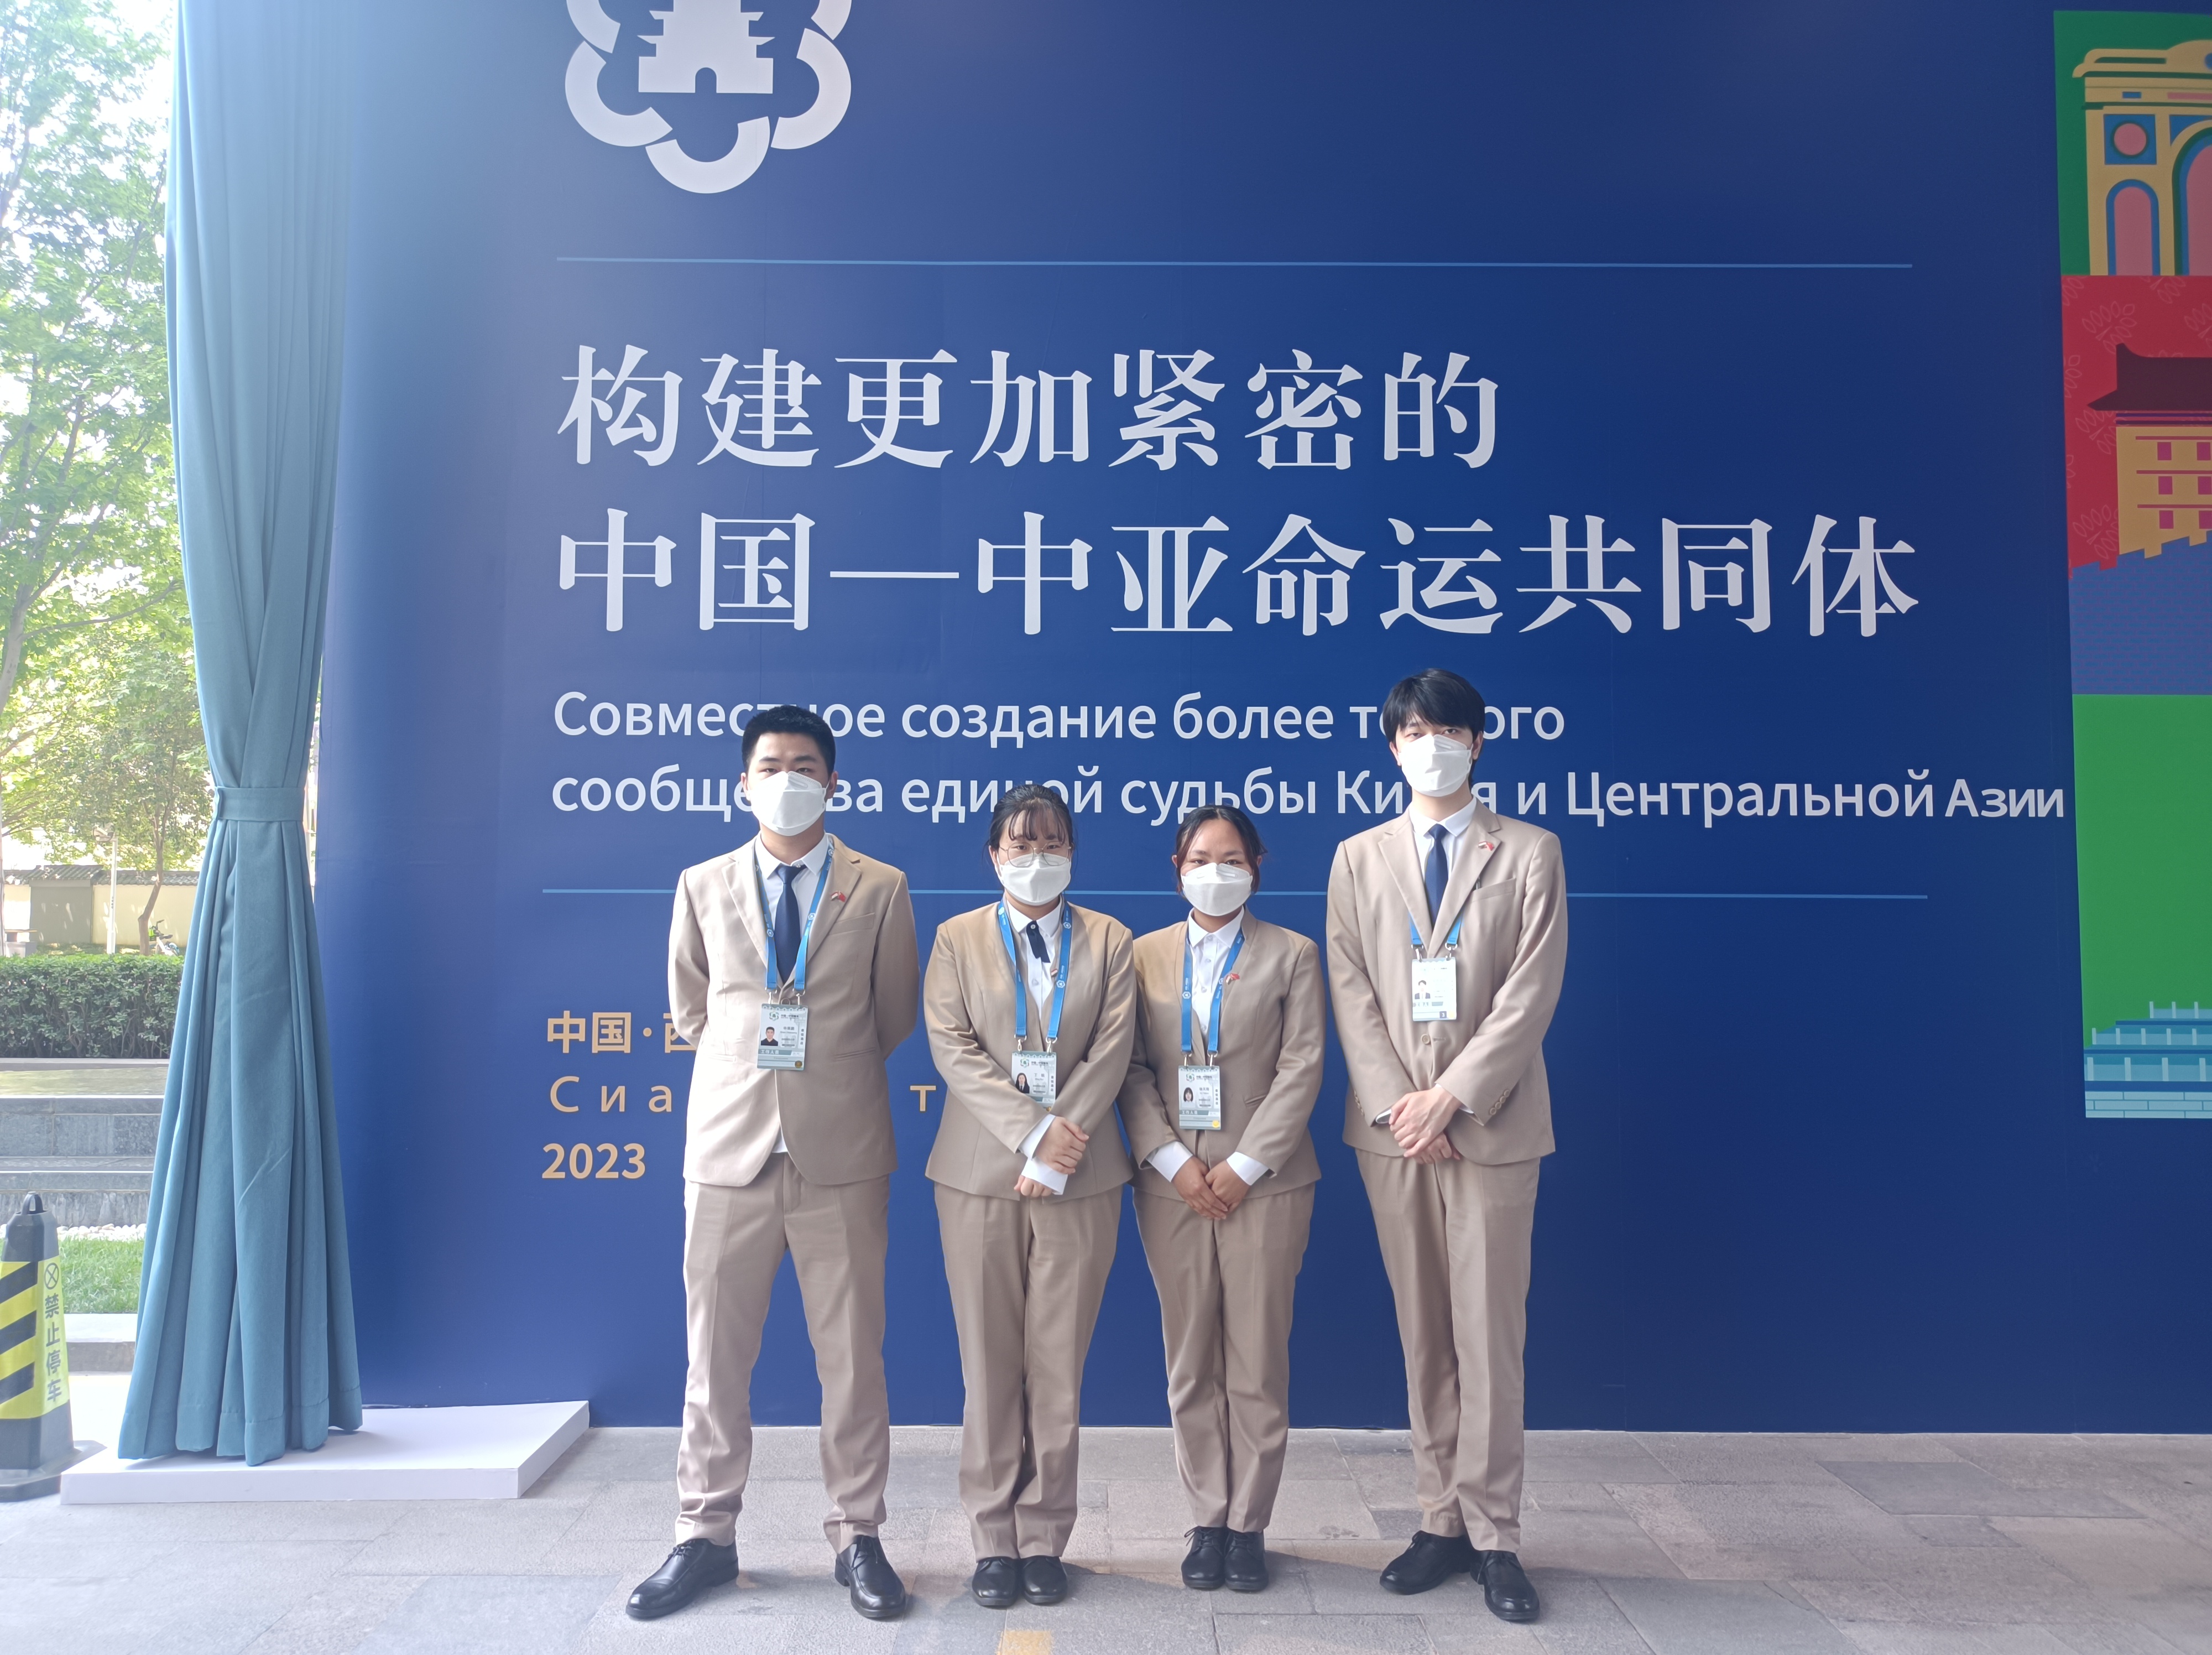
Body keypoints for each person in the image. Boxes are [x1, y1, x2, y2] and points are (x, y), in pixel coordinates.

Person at [630, 705, 920, 1625]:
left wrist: (819, 1076)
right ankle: (704, 1534)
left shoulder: (880, 886)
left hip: (842, 1148)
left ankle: (859, 1534)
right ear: (743, 784)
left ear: (832, 783)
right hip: (729, 1151)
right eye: (770, 765)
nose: (787, 779)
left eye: (804, 765)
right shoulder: (703, 883)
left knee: (853, 1359)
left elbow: (892, 1014)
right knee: (714, 1359)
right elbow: (692, 1009)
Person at [1325, 668, 1565, 1625]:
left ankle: (1497, 1533)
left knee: (1488, 1337)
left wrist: (1453, 1097)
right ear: (1393, 747)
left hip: (1491, 1126)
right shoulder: (1358, 857)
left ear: (1479, 742)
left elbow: (1532, 990)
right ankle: (1440, 1521)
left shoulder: (1531, 851)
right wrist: (1401, 1105)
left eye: (1450, 731)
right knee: (1424, 1331)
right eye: (1416, 732)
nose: (1434, 746)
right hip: (1396, 1138)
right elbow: (1350, 987)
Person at [924, 783, 1138, 1611]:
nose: (1037, 858)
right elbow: (953, 1047)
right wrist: (1030, 1134)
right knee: (988, 1363)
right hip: (978, 1175)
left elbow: (1112, 1050)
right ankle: (992, 1538)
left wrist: (1058, 1147)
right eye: (1021, 844)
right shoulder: (957, 938)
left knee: (1057, 1365)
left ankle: (1044, 1535)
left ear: (1072, 853)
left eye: (1052, 843)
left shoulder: (1111, 940)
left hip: (1083, 1177)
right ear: (994, 856)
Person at [1117, 804, 1324, 1594]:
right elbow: (1129, 1067)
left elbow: (1302, 1067)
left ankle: (1249, 1526)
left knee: (1257, 1359)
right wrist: (1173, 1160)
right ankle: (1207, 1518)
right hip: (1171, 1185)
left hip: (1265, 1184)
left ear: (1256, 868)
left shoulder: (1292, 954)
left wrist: (1245, 1164)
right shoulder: (1140, 956)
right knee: (1191, 1356)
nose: (1216, 872)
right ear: (1178, 870)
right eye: (1200, 859)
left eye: (1232, 859)